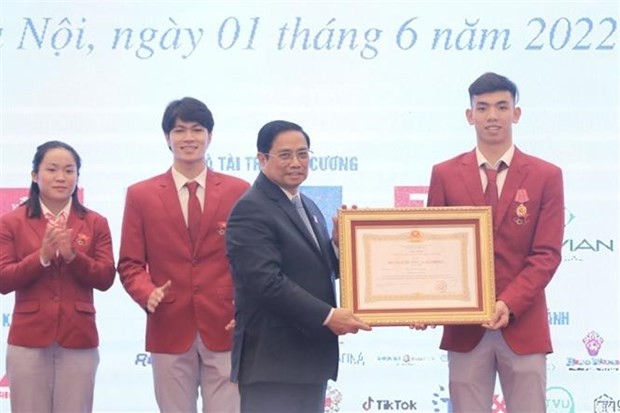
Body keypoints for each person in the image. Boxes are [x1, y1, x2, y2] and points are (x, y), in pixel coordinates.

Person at [426, 72, 564, 412]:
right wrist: (423, 300)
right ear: (469, 115)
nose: (492, 116)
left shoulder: (547, 175)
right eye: (483, 107)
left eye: (502, 107)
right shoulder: (444, 173)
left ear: (516, 113)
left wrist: (509, 302)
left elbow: (546, 254)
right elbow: (432, 249)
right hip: (464, 327)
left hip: (523, 322)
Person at [226, 119, 372, 413]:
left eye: (303, 154)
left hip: (307, 360)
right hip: (274, 364)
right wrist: (329, 316)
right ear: (262, 158)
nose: (296, 162)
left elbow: (316, 269)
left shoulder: (306, 204)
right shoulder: (251, 209)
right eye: (285, 155)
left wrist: (337, 245)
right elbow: (266, 282)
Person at [117, 97, 249, 413]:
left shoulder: (239, 190)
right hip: (168, 323)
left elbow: (250, 260)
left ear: (210, 136)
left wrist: (246, 307)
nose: (188, 138)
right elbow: (130, 263)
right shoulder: (141, 195)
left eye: (197, 130)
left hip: (226, 324)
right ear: (167, 138)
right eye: (179, 130)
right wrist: (146, 292)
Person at [0, 140, 115, 412]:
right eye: (52, 169)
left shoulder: (95, 222)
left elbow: (106, 277)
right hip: (28, 339)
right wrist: (42, 256)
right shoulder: (11, 222)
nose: (61, 177)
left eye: (69, 170)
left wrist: (73, 255)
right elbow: (3, 280)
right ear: (35, 175)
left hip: (79, 337)